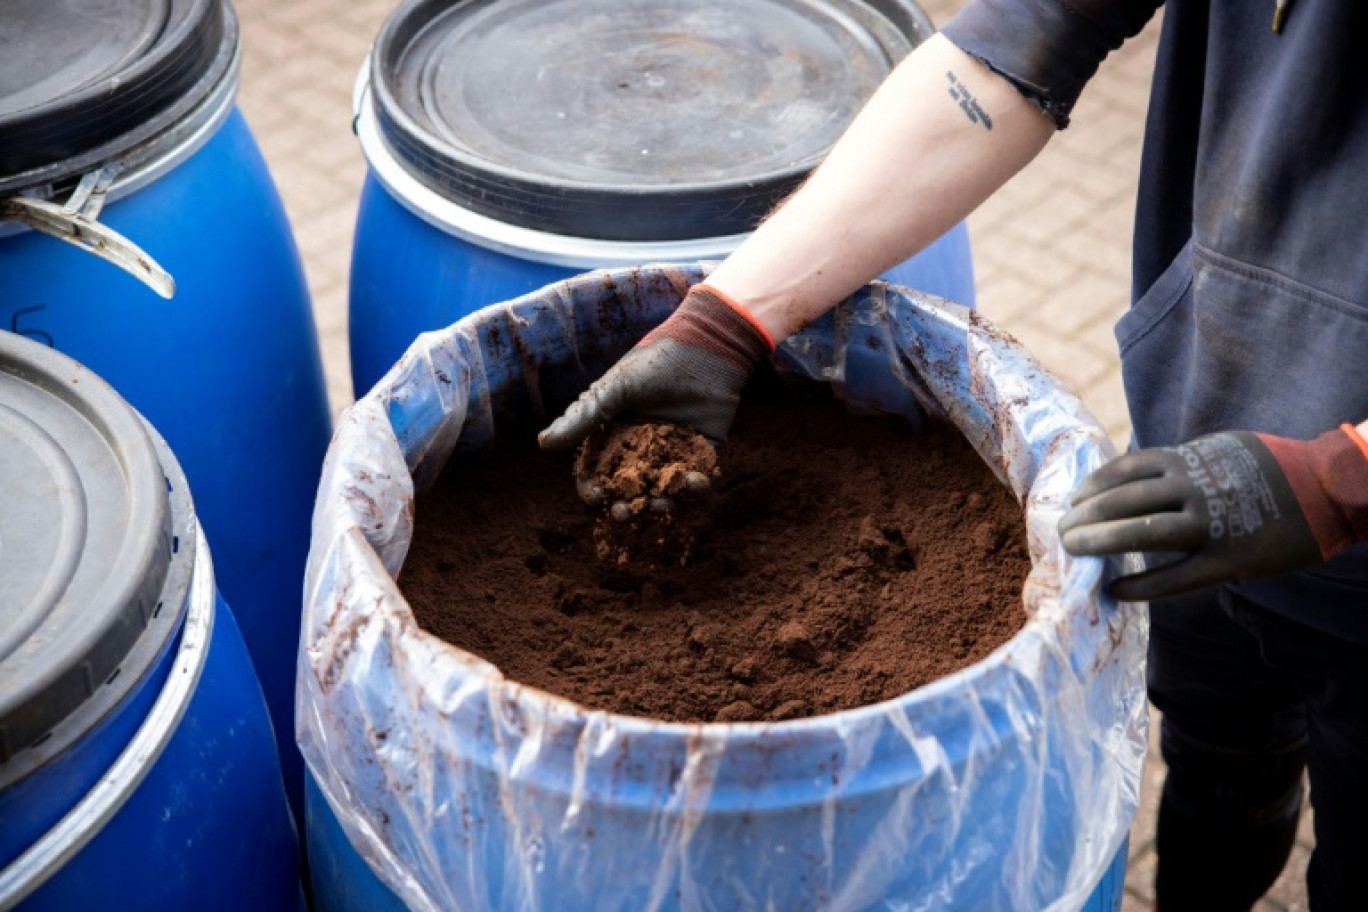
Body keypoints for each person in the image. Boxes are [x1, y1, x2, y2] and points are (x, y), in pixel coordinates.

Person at [539, 2, 1368, 908]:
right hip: (1202, 465)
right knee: (1214, 737)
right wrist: (726, 320)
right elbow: (1019, 45)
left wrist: (1344, 476)